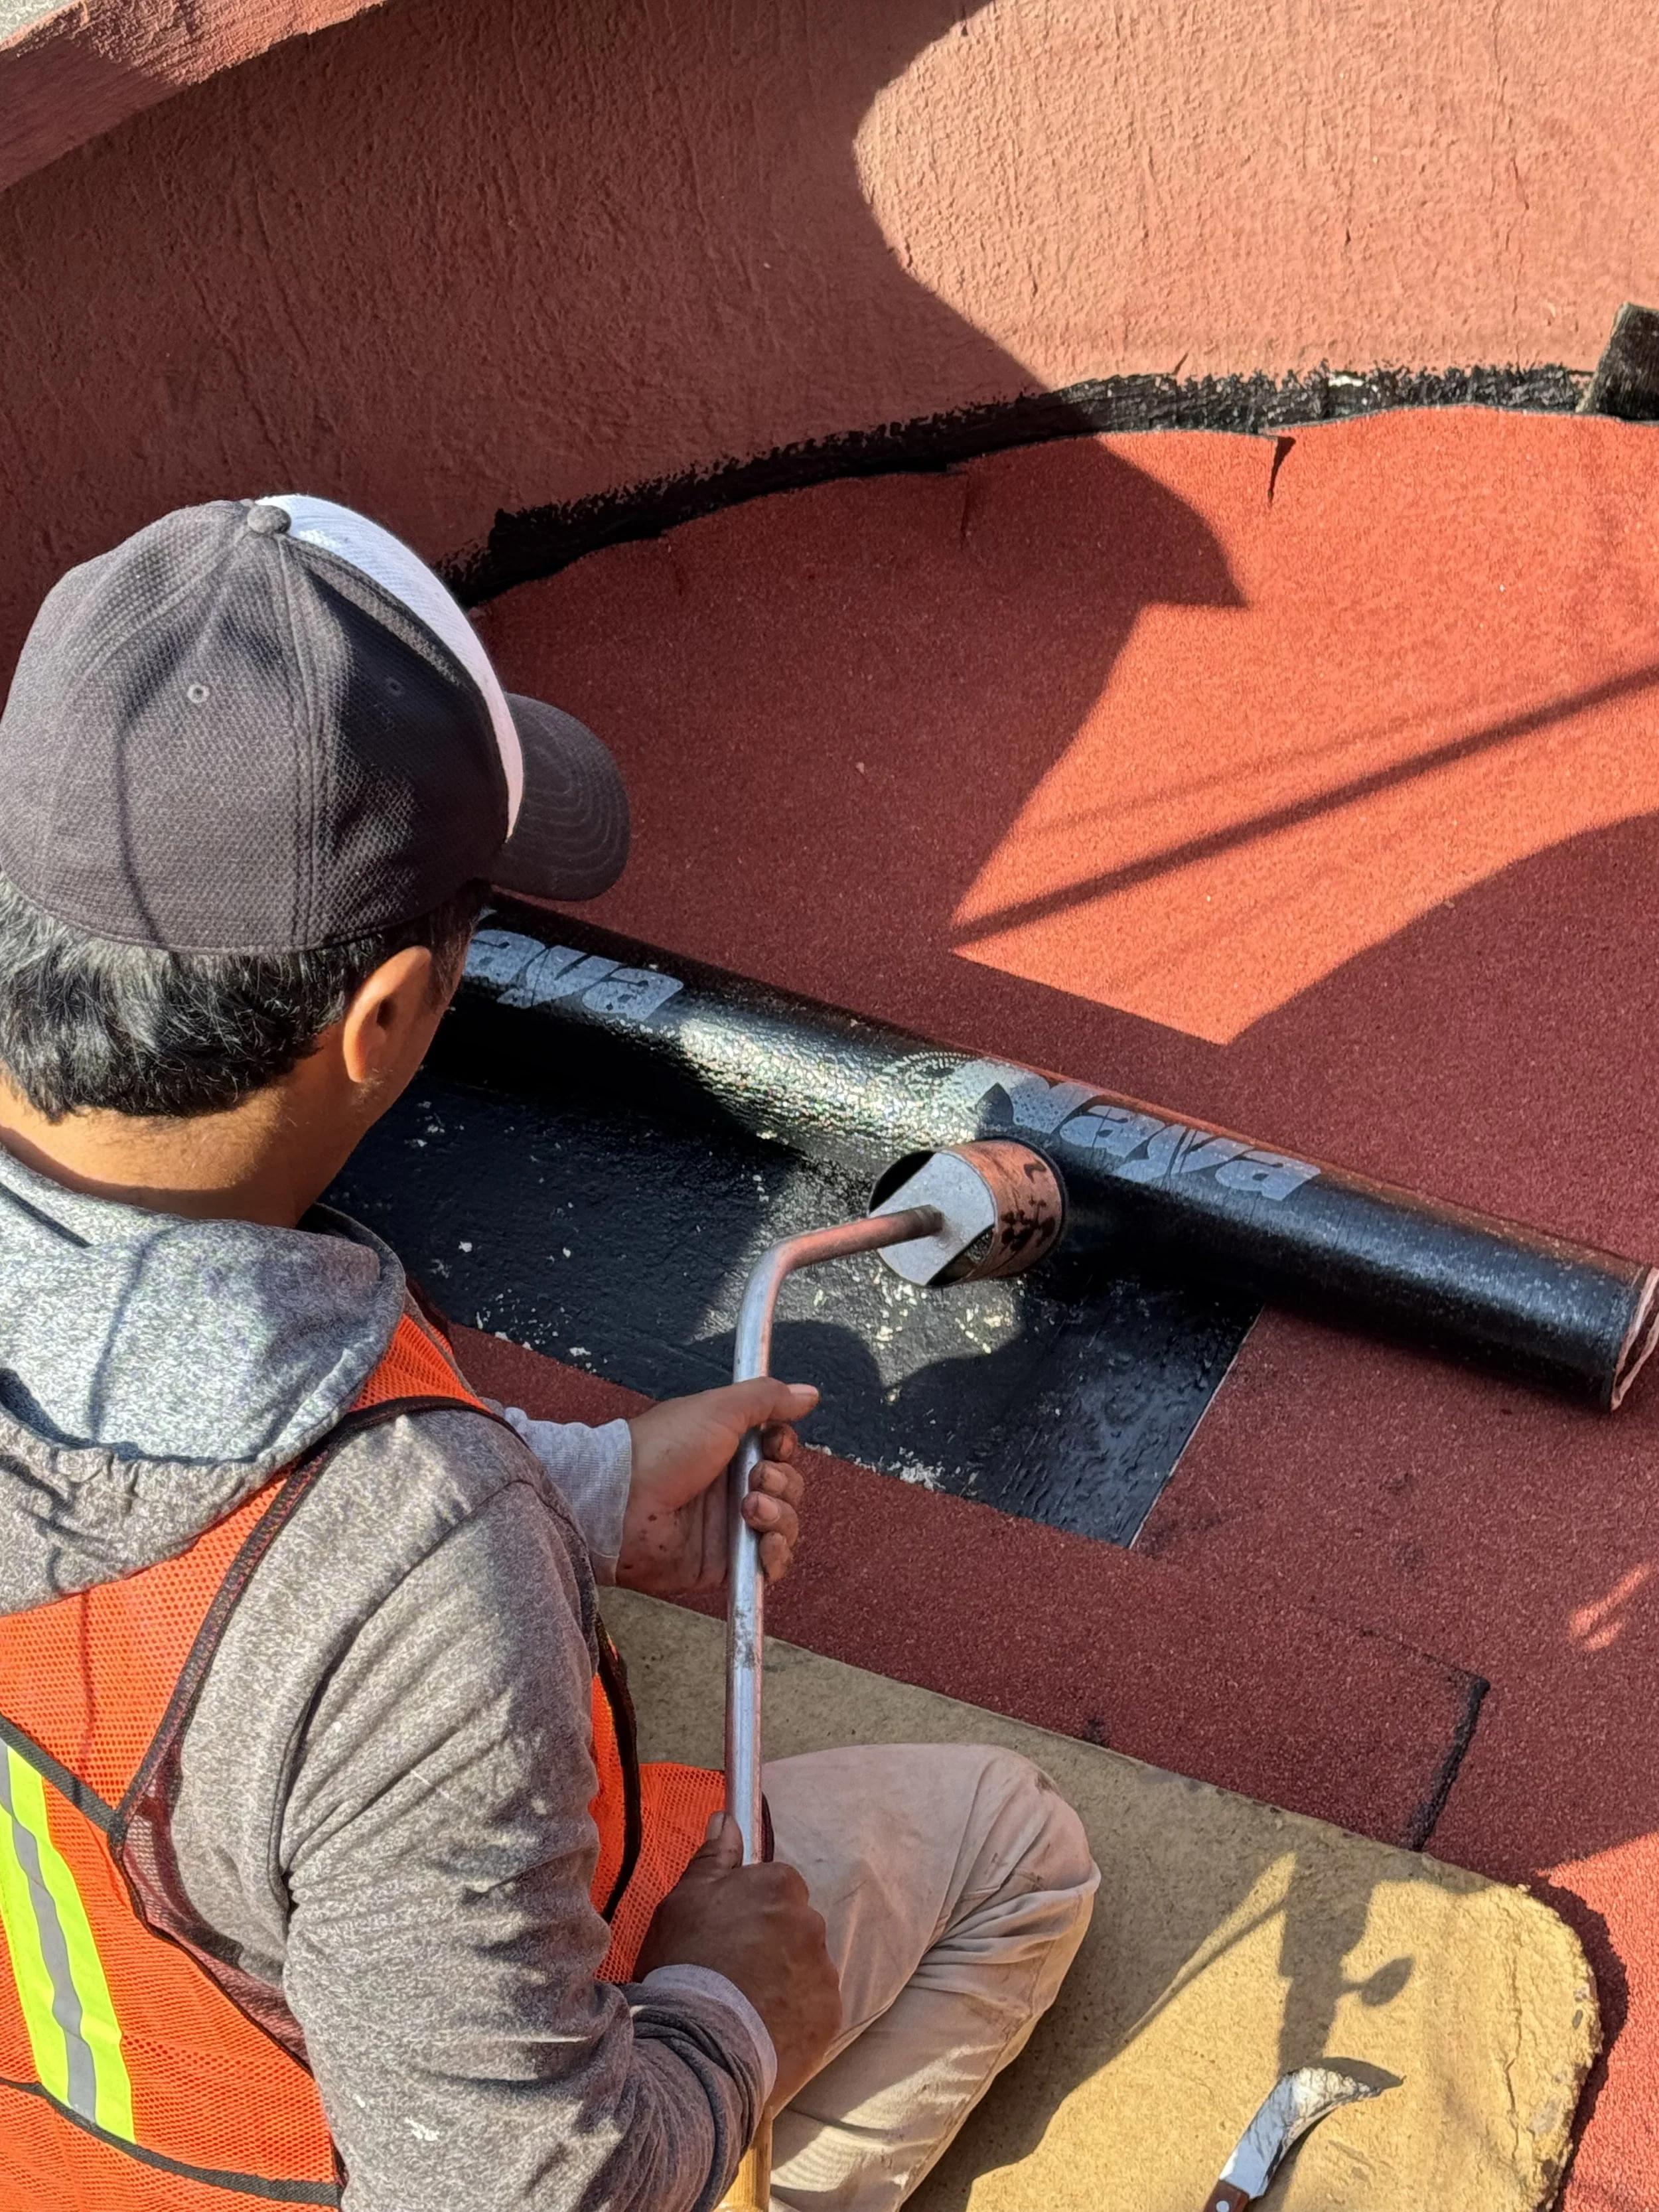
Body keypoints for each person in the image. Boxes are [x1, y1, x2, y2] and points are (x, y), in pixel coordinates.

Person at [0, 496, 1098, 2212]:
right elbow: (505, 2189)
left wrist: (568, 1484)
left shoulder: (419, 1530)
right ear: (385, 1018)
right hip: (261, 2160)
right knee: (1007, 1843)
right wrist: (729, 2015)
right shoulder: (404, 1566)